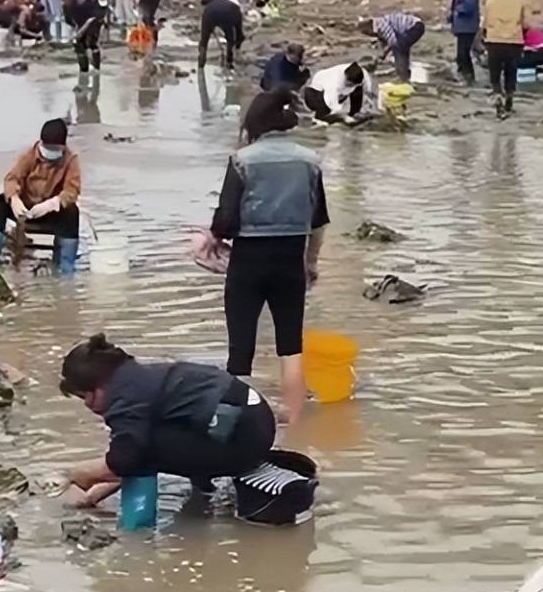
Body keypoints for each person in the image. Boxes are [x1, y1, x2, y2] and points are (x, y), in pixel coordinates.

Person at [58, 333, 317, 525]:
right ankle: (203, 491)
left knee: (140, 449)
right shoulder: (142, 376)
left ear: (99, 387)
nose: (88, 406)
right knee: (146, 441)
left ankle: (136, 531)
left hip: (241, 438)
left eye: (85, 398)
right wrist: (97, 490)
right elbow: (128, 453)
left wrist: (80, 473)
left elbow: (128, 458)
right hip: (255, 422)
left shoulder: (124, 397)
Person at [210, 90, 328, 425]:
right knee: (290, 347)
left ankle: (236, 426)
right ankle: (295, 426)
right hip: (291, 259)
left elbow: (225, 220)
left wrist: (211, 239)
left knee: (240, 350)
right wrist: (310, 263)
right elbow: (318, 221)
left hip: (248, 260)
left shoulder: (242, 160)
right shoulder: (310, 161)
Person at [0, 119, 82, 272]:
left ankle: (66, 265)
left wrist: (54, 203)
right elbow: (12, 178)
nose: (50, 151)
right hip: (24, 208)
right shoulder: (29, 155)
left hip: (50, 211)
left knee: (72, 212)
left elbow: (72, 190)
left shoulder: (70, 160)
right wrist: (14, 198)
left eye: (55, 148)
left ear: (63, 146)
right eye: (47, 147)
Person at [482, 0, 527, 118]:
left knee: (495, 73)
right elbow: (524, 24)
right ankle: (509, 97)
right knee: (511, 72)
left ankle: (498, 97)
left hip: (494, 41)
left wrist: (485, 37)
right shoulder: (519, 2)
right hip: (514, 42)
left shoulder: (490, 2)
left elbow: (485, 24)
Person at [359, 12, 425, 81]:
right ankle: (404, 74)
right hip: (410, 29)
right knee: (402, 49)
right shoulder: (380, 26)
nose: (368, 34)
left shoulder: (381, 25)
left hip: (415, 27)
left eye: (366, 32)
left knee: (398, 48)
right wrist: (384, 55)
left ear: (368, 26)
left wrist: (384, 54)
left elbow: (392, 41)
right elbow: (388, 42)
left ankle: (402, 76)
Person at [303, 61, 372, 123]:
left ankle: (355, 113)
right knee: (326, 116)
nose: (351, 86)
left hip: (337, 93)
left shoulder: (364, 75)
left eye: (352, 85)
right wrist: (344, 117)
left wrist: (368, 106)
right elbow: (334, 106)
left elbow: (369, 93)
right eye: (349, 84)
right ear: (345, 76)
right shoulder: (334, 83)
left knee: (357, 89)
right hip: (314, 93)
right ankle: (317, 119)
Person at [448, 0, 480, 84]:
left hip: (467, 25)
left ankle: (468, 78)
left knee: (463, 53)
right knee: (462, 53)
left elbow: (469, 6)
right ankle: (465, 77)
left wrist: (457, 10)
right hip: (461, 26)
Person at [198, 0, 245, 70]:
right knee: (230, 38)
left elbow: (206, 1)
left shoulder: (215, 0)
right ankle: (229, 61)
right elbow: (239, 33)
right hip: (227, 14)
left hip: (209, 12)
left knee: (204, 38)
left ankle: (202, 56)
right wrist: (238, 46)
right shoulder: (236, 8)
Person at [63, 0, 106, 74]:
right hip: (81, 21)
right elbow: (69, 20)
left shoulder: (86, 1)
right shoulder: (65, 6)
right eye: (64, 0)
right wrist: (75, 31)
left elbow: (93, 18)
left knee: (92, 42)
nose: (65, 2)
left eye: (67, 0)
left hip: (93, 20)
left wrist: (82, 30)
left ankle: (96, 68)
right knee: (78, 44)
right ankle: (83, 70)